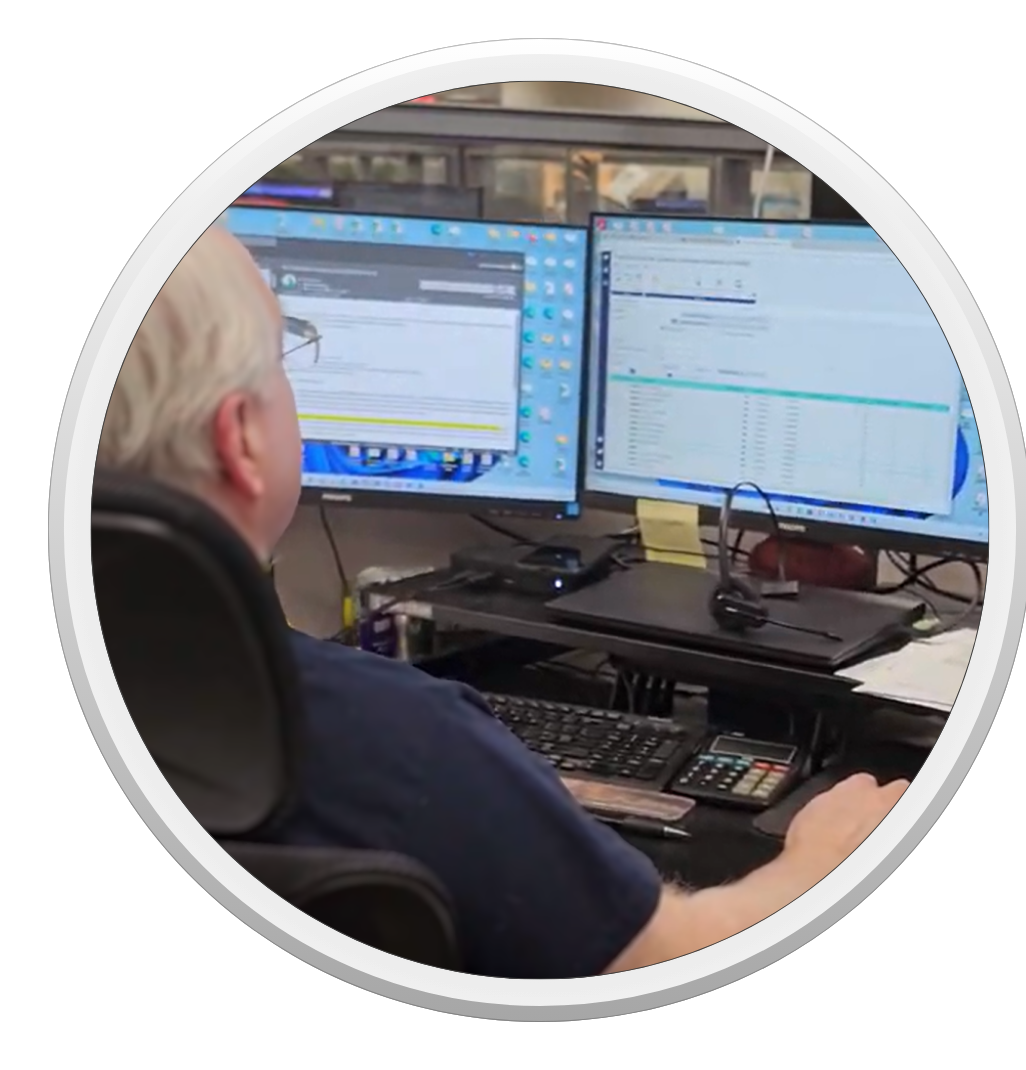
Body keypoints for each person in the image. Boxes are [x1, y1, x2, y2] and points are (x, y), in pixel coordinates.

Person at [96, 224, 908, 979]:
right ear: (241, 438)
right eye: (286, 356)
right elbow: (671, 959)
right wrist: (821, 860)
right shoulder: (395, 739)